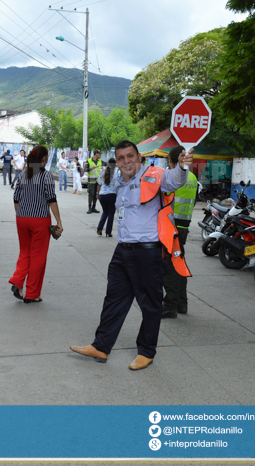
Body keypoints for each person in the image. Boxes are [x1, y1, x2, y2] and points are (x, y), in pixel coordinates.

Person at [70, 140, 193, 371]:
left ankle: (146, 352)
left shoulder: (156, 175)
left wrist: (183, 167)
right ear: (117, 161)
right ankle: (101, 345)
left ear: (139, 157)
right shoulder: (119, 180)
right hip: (122, 251)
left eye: (130, 156)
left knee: (150, 304)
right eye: (121, 158)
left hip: (147, 252)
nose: (126, 161)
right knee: (114, 299)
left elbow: (175, 180)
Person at [9, 145, 63, 303]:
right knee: (38, 257)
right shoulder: (46, 175)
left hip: (21, 218)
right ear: (44, 159)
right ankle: (32, 294)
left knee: (25, 252)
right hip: (40, 220)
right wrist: (59, 221)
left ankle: (17, 280)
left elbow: (16, 198)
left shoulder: (23, 175)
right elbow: (51, 199)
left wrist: (22, 215)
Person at [161, 146, 198, 319]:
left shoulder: (173, 177)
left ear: (171, 160)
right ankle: (182, 304)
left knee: (171, 268)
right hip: (184, 225)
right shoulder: (192, 177)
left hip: (171, 226)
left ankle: (170, 306)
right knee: (179, 264)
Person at [96, 158, 118, 237]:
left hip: (102, 195)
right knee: (111, 214)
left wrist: (98, 193)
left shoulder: (103, 172)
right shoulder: (116, 174)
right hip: (111, 195)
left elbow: (99, 184)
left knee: (105, 212)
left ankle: (99, 228)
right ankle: (108, 232)